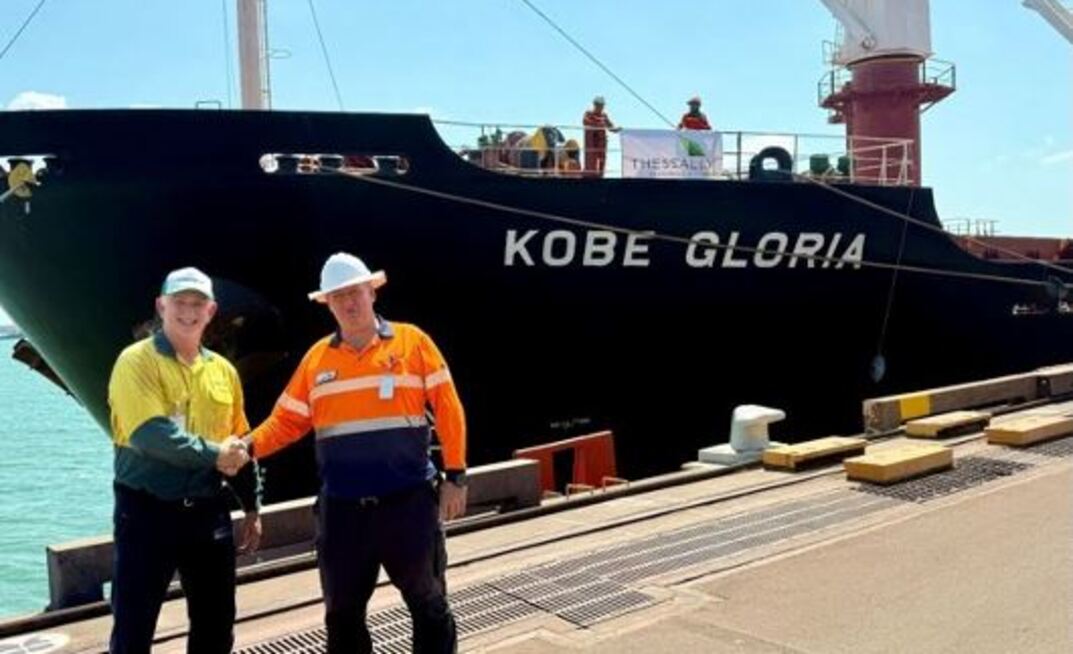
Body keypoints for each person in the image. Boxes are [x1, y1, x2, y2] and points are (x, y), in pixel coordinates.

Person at [236, 252, 467, 654]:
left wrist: (456, 476)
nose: (349, 302)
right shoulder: (316, 361)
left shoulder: (414, 343)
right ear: (326, 303)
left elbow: (449, 408)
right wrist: (246, 447)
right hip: (343, 515)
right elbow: (286, 421)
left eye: (356, 292)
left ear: (372, 292)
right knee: (342, 617)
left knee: (428, 605)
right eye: (338, 296)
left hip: (409, 505)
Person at [107, 266, 261, 654]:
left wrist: (251, 506)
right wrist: (216, 454)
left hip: (207, 514)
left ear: (211, 311)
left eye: (198, 304)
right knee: (134, 626)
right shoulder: (135, 361)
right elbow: (149, 435)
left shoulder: (223, 371)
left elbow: (239, 442)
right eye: (180, 302)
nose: (188, 311)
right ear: (161, 306)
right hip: (146, 513)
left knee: (215, 623)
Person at [582, 95, 619, 176]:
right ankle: (590, 176)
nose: (601, 107)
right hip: (591, 142)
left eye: (602, 105)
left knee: (602, 160)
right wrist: (600, 125)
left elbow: (610, 126)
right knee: (591, 161)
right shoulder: (588, 113)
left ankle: (601, 176)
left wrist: (617, 129)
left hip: (601, 142)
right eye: (599, 105)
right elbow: (585, 122)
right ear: (594, 105)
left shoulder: (604, 115)